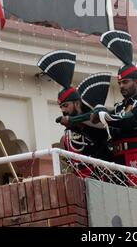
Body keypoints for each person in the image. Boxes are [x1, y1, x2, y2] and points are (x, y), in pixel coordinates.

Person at [93, 30, 137, 187]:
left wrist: (106, 117)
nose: (122, 86)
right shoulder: (119, 107)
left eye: (126, 82)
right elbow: (107, 125)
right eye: (120, 83)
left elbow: (131, 120)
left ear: (136, 82)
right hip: (119, 161)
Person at [38, 50, 112, 178]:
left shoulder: (93, 120)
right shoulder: (68, 132)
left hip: (101, 179)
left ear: (77, 104)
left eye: (66, 106)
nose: (63, 110)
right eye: (61, 107)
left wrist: (75, 122)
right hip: (79, 181)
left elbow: (99, 132)